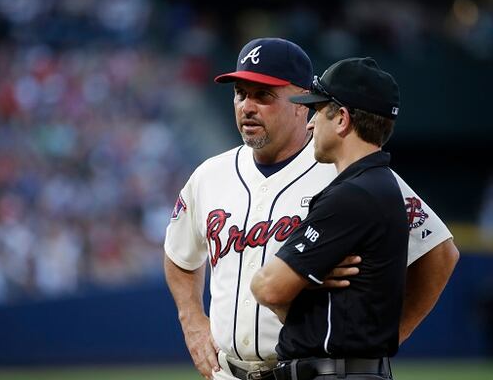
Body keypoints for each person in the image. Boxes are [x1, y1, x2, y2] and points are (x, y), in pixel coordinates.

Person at [163, 38, 459, 380]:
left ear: (303, 103)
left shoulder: (350, 172)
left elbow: (439, 251)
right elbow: (178, 254)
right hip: (226, 372)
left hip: (309, 370)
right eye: (240, 93)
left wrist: (386, 336)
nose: (247, 106)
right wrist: (192, 320)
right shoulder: (209, 175)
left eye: (264, 95)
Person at [251, 57, 411, 380]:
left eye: (318, 111)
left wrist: (303, 282)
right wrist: (311, 280)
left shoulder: (354, 194)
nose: (310, 123)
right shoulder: (379, 184)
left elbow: (267, 286)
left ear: (341, 119)